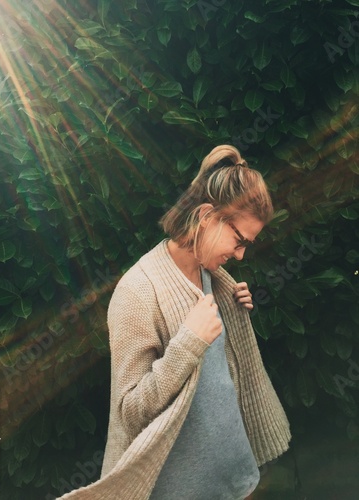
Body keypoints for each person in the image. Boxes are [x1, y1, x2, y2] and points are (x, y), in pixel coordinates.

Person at [59, 145, 291, 500]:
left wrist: (234, 308)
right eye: (239, 240)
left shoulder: (210, 273)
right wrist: (188, 343)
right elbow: (130, 412)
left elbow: (218, 373)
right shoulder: (137, 292)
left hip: (236, 474)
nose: (242, 254)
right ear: (206, 216)